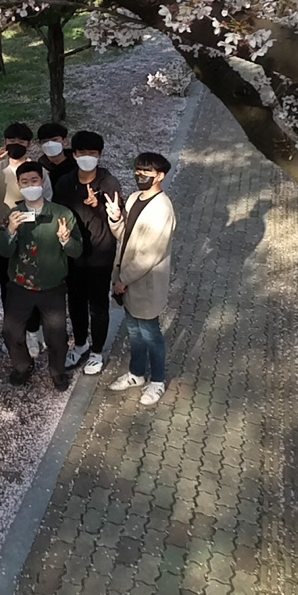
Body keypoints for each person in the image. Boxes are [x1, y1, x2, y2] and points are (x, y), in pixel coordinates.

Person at [0, 161, 82, 390]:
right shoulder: (13, 215)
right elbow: (4, 252)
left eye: (34, 180)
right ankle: (22, 366)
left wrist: (65, 239)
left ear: (42, 182)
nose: (30, 185)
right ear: (18, 185)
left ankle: (58, 371)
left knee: (57, 336)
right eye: (24, 182)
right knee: (12, 332)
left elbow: (77, 251)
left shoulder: (61, 214)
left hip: (52, 287)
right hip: (19, 286)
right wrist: (10, 231)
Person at [105, 151, 177, 406]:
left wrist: (123, 279)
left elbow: (150, 254)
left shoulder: (162, 209)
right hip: (127, 280)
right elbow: (125, 236)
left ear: (160, 176)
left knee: (150, 333)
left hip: (145, 284)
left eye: (147, 171)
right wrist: (116, 218)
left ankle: (157, 380)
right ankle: (136, 373)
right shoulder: (135, 198)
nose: (141, 175)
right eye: (138, 170)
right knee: (134, 330)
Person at [56, 130, 123, 376]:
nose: (87, 157)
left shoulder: (109, 183)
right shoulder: (65, 183)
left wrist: (99, 207)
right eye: (82, 152)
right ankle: (81, 344)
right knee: (75, 302)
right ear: (74, 155)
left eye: (92, 153)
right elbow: (58, 214)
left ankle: (96, 351)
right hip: (74, 254)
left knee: (98, 305)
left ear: (100, 155)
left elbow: (117, 217)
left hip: (100, 254)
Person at [0, 123, 54, 357]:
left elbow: (47, 202)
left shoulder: (37, 170)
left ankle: (34, 330)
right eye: (11, 140)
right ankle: (15, 332)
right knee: (8, 286)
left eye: (21, 141)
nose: (16, 144)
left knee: (30, 285)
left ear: (29, 144)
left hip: (31, 238)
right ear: (4, 142)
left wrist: (23, 218)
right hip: (1, 236)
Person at [36, 121, 76, 189]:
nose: (50, 144)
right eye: (45, 141)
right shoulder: (41, 165)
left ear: (64, 141)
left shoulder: (75, 162)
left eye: (54, 140)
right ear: (40, 144)